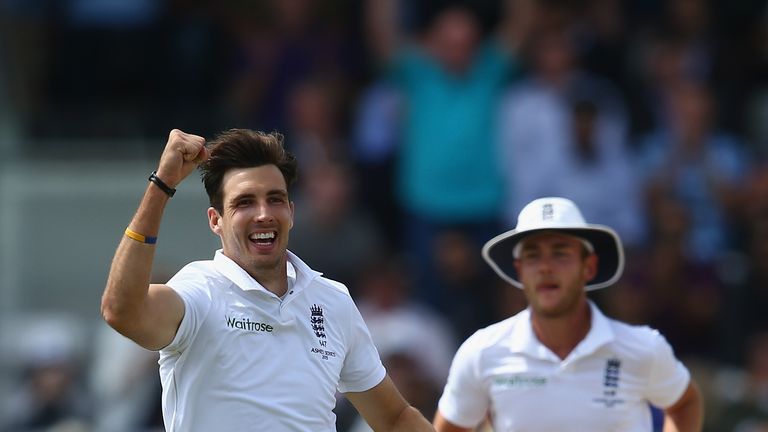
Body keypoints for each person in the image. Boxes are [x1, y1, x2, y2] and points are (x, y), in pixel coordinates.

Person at [100, 128, 434, 432]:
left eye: (274, 199)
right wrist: (162, 184)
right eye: (245, 202)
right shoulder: (198, 289)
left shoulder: (332, 300)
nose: (263, 213)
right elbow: (121, 311)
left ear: (291, 211)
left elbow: (395, 419)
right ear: (215, 221)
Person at [433, 197, 704, 431]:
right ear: (519, 270)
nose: (546, 268)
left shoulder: (643, 348)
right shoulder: (482, 353)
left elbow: (685, 403)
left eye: (560, 253)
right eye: (533, 256)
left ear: (589, 267)